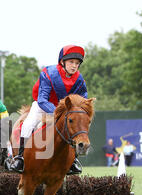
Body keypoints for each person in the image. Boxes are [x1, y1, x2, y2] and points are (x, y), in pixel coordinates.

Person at [10, 45, 88, 174]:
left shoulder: (79, 79)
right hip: (43, 106)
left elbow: (82, 100)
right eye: (71, 62)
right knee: (28, 125)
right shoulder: (48, 73)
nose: (74, 66)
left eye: (77, 63)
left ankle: (73, 160)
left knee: (75, 128)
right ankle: (20, 158)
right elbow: (42, 100)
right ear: (62, 62)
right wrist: (57, 111)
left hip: (65, 111)